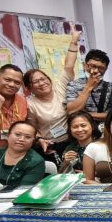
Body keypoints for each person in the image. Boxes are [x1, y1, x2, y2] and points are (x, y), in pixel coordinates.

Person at [24, 29, 81, 158]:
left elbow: (68, 66)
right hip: (51, 146)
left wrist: (74, 40)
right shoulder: (30, 104)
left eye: (43, 78)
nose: (42, 83)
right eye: (36, 82)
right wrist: (39, 140)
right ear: (29, 88)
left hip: (72, 140)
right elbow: (31, 128)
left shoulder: (59, 87)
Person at [0, 120, 46, 187]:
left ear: (33, 141)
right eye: (17, 134)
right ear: (8, 135)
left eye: (28, 137)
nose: (21, 139)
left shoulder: (36, 161)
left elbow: (25, 189)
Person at [65, 48, 112, 124]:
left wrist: (83, 113)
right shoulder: (73, 85)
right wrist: (89, 87)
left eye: (101, 68)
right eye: (92, 66)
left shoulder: (111, 87)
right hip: (81, 128)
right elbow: (71, 111)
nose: (96, 71)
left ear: (106, 69)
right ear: (84, 65)